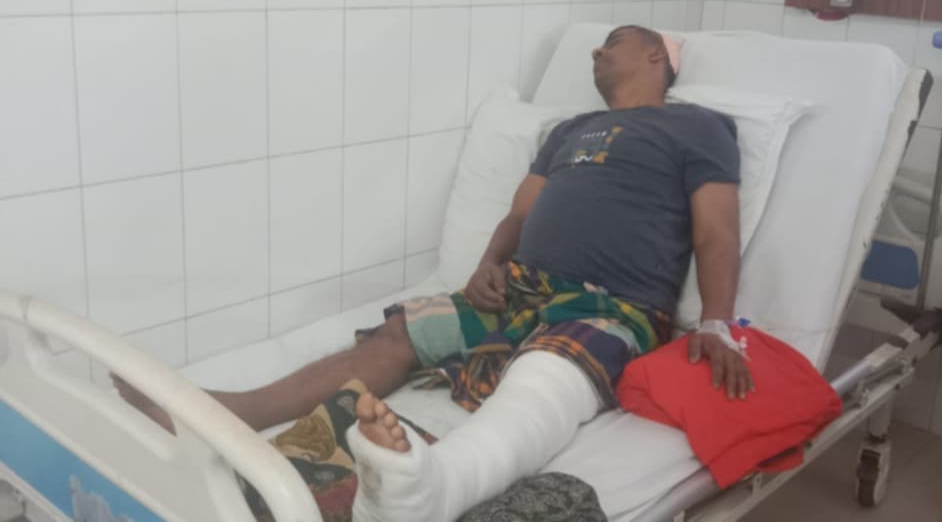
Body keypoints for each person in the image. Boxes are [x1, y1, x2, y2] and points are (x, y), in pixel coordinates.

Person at [115, 25, 751, 521]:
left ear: (656, 56)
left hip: (608, 306)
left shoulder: (696, 127)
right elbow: (519, 213)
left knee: (548, 373)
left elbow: (716, 233)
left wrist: (716, 323)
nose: (595, 52)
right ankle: (233, 414)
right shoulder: (571, 130)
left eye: (612, 42)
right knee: (400, 334)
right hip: (520, 286)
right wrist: (487, 265)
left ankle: (435, 485)